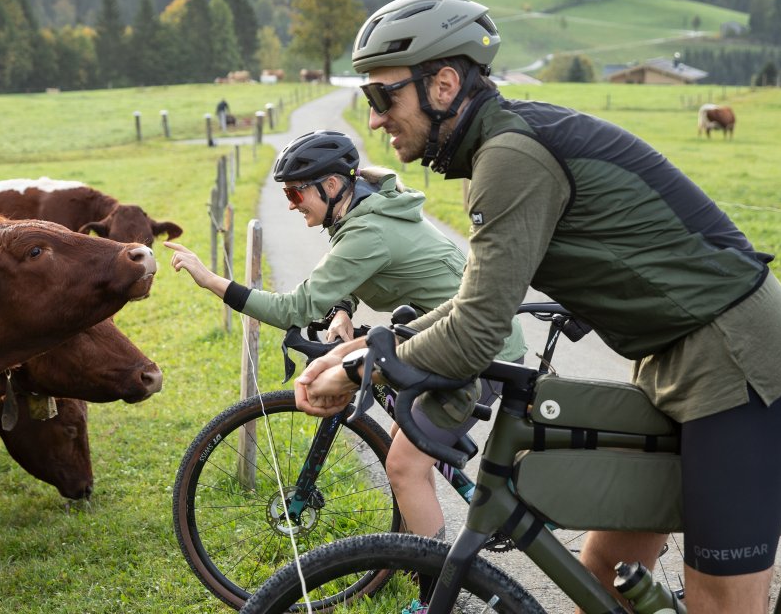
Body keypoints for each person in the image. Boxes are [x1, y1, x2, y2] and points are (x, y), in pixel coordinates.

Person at [295, 0, 781, 614]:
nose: (375, 119)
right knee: (601, 576)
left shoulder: (510, 157)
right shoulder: (502, 147)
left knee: (717, 602)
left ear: (444, 83)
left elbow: (476, 332)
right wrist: (363, 347)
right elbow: (474, 303)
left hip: (738, 358)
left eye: (383, 98)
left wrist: (357, 368)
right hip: (672, 361)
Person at [165, 129, 526, 546]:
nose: (290, 204)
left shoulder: (366, 232)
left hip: (478, 349)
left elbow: (294, 309)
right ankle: (417, 560)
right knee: (403, 448)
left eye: (296, 194)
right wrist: (342, 310)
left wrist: (211, 281)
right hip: (450, 339)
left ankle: (433, 594)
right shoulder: (369, 211)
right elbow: (360, 272)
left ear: (332, 185)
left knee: (403, 467)